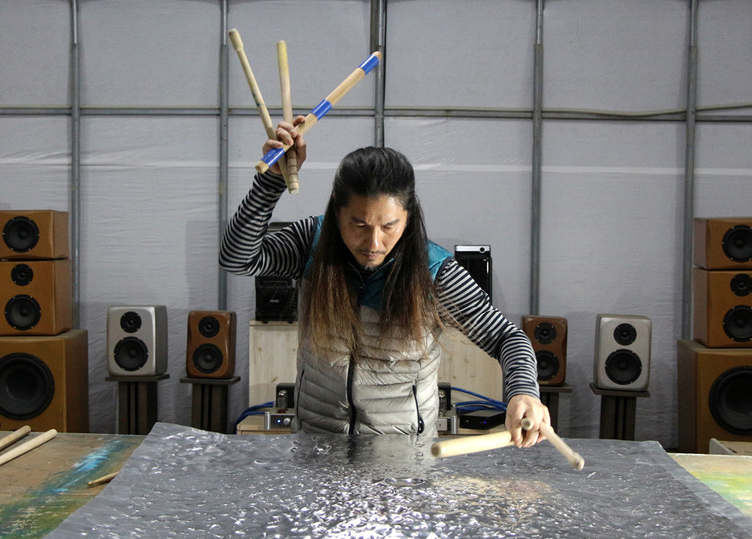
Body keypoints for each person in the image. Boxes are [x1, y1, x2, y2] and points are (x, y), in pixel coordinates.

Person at [220, 117, 550, 447]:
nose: (373, 243)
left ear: (408, 217)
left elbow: (506, 337)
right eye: (359, 225)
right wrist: (270, 182)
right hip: (317, 446)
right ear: (337, 214)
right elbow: (236, 258)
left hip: (403, 456)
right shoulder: (313, 244)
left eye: (389, 226)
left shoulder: (434, 271)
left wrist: (524, 392)